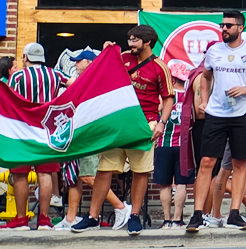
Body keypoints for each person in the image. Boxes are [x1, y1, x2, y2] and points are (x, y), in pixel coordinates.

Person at [75, 27, 175, 235]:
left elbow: (168, 98)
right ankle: (93, 216)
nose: (130, 43)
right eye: (129, 39)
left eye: (136, 39)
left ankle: (134, 216)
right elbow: (101, 70)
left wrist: (161, 123)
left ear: (148, 42)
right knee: (104, 169)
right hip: (119, 122)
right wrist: (105, 52)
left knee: (141, 171)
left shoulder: (160, 67)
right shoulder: (121, 58)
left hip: (144, 123)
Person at [185, 12, 246, 233]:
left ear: (240, 28)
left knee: (239, 163)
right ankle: (197, 215)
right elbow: (205, 76)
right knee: (206, 162)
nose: (224, 29)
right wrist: (204, 101)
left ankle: (234, 213)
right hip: (216, 114)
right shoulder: (214, 51)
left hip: (242, 113)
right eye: (222, 25)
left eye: (229, 25)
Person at [57, 49, 128, 231]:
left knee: (88, 176)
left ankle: (121, 207)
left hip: (91, 134)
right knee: (75, 178)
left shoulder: (94, 80)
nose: (75, 64)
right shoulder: (90, 80)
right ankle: (71, 217)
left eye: (78, 61)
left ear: (89, 62)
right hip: (81, 133)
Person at [2, 42, 68, 231]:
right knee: (45, 173)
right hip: (47, 130)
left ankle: (22, 219)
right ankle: (44, 220)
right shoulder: (55, 74)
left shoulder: (18, 76)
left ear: (25, 58)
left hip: (22, 130)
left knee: (20, 173)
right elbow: (75, 84)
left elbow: (10, 98)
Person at [155, 59, 195, 229]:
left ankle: (166, 220)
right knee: (181, 183)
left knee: (164, 183)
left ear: (171, 79)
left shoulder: (163, 98)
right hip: (183, 146)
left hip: (163, 143)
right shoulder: (189, 97)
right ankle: (178, 219)